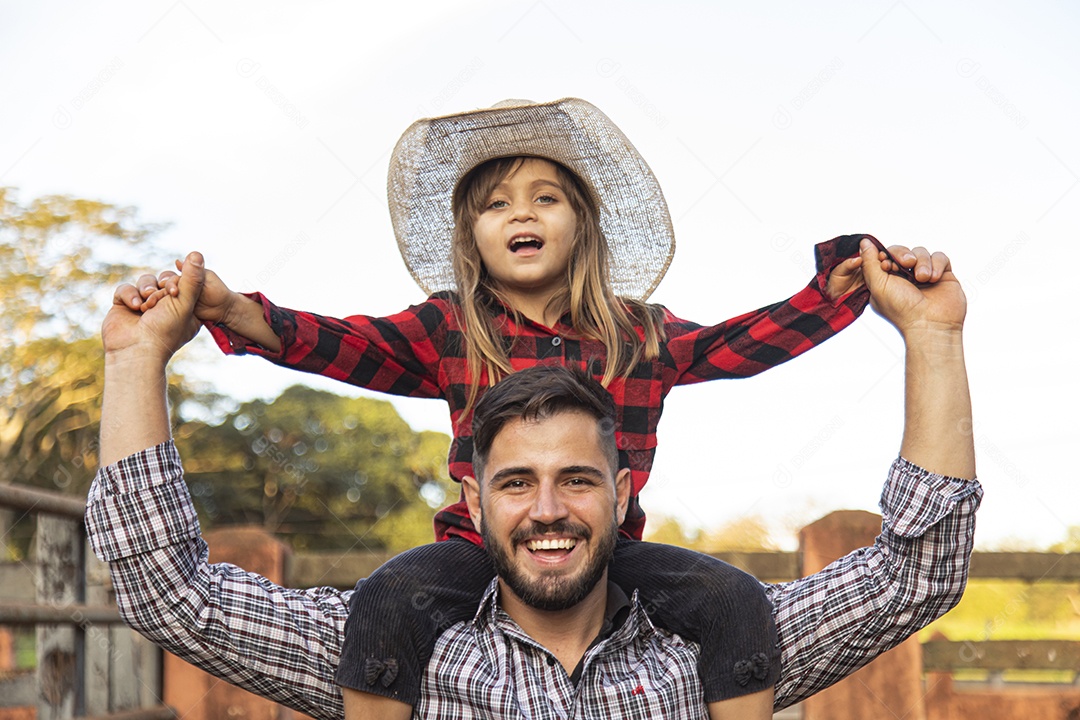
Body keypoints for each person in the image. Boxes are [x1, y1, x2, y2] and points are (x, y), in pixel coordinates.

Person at [123, 97, 956, 714]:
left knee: (735, 600)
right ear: (473, 237)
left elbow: (746, 343)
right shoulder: (451, 327)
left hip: (611, 559)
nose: (521, 211)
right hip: (468, 556)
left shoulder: (639, 335)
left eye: (545, 197)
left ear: (581, 227)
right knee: (385, 602)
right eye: (496, 203)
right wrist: (234, 314)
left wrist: (837, 293)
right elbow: (340, 342)